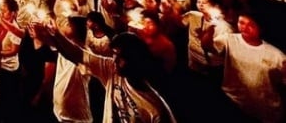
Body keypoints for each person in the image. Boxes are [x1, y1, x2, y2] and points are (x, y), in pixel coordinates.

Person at [32, 21, 177, 123]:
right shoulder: (111, 70)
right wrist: (55, 34)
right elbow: (77, 54)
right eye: (114, 54)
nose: (115, 60)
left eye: (122, 57)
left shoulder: (155, 108)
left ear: (136, 60)